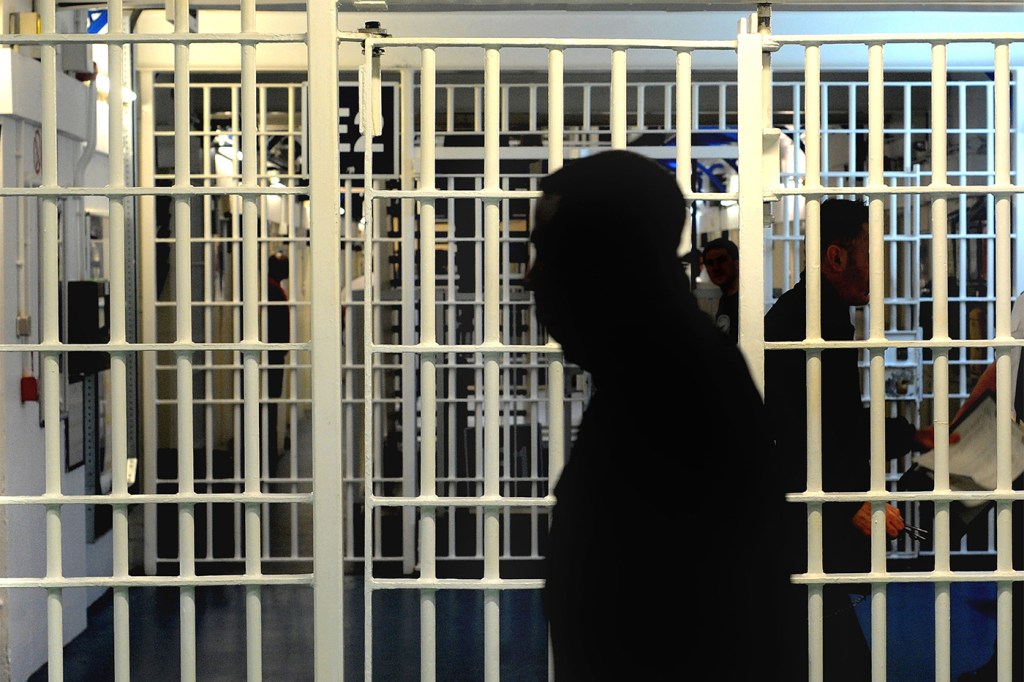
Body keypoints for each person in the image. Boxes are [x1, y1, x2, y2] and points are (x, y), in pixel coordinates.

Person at [526, 149, 790, 679]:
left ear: (605, 266)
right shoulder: (661, 372)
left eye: (552, 257)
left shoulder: (673, 391)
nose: (532, 281)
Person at [763, 198, 928, 681]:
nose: (882, 270)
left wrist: (910, 435)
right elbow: (787, 430)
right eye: (873, 253)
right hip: (801, 524)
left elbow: (832, 422)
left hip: (805, 519)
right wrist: (843, 502)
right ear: (837, 258)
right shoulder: (806, 323)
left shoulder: (817, 314)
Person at [703, 236, 740, 343]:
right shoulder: (725, 298)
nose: (716, 268)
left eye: (721, 260)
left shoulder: (744, 302)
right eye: (710, 263)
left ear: (736, 263)